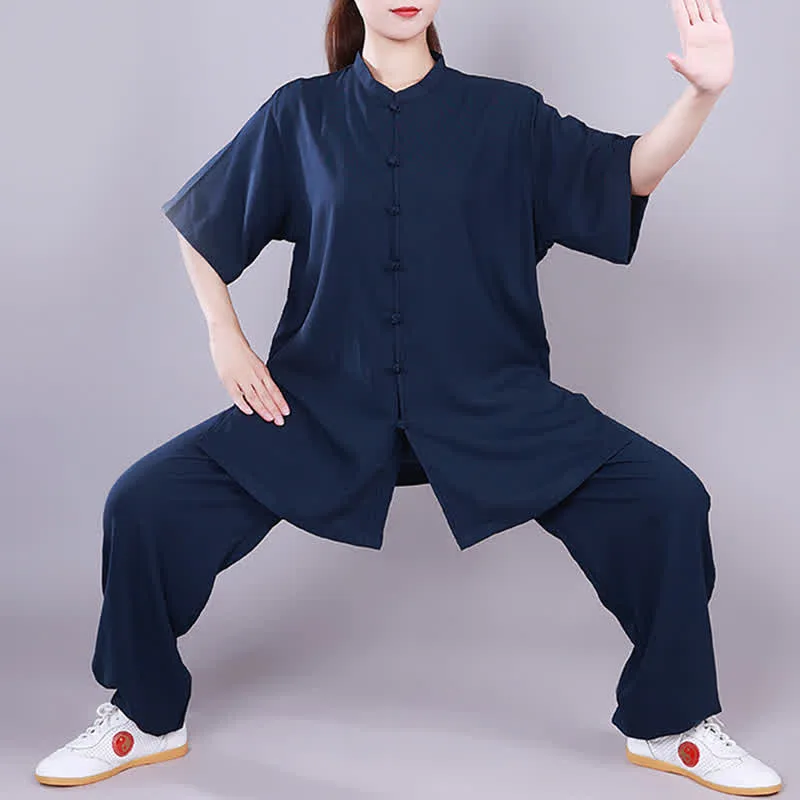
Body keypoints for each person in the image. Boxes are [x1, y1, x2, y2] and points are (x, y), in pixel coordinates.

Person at [34, 0, 783, 794]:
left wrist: (701, 95)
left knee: (668, 501)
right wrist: (225, 336)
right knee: (143, 505)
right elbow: (203, 224)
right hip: (320, 408)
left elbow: (626, 172)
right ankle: (145, 715)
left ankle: (672, 725)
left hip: (490, 403)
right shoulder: (301, 115)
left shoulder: (507, 116)